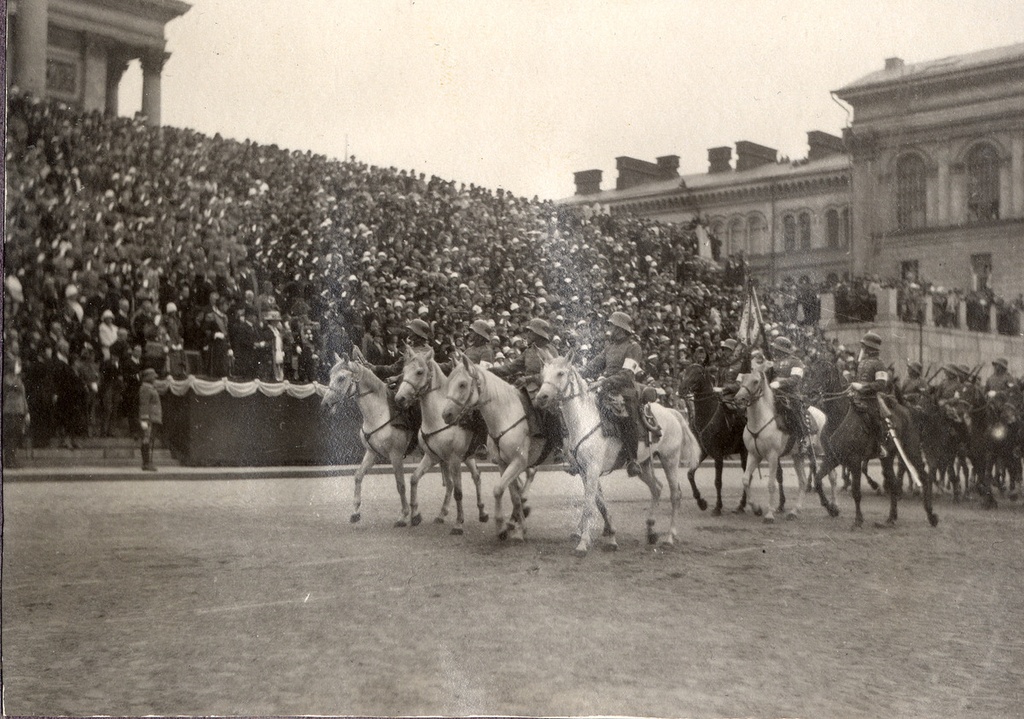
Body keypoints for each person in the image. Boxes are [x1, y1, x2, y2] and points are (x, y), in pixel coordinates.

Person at [582, 311, 647, 476]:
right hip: (607, 390)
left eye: (612, 325)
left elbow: (627, 374)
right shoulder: (609, 347)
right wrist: (575, 372)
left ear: (620, 328)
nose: (609, 328)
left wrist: (603, 382)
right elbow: (593, 366)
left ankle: (633, 460)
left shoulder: (633, 347)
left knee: (627, 416)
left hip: (625, 391)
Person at [848, 331, 892, 457]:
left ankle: (879, 446)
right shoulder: (863, 362)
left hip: (871, 400)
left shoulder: (879, 364)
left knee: (874, 421)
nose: (862, 348)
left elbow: (881, 384)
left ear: (870, 348)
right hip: (858, 397)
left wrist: (862, 387)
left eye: (864, 346)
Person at [767, 336, 809, 450]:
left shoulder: (796, 362)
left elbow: (795, 379)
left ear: (782, 349)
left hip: (790, 395)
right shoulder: (773, 363)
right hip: (774, 394)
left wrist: (779, 384)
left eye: (776, 348)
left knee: (795, 411)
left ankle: (802, 439)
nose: (774, 350)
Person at [3, 342, 29, 468]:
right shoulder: (8, 378)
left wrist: (26, 410)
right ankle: (8, 460)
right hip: (10, 410)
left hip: (19, 410)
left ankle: (12, 459)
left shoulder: (18, 379)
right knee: (10, 436)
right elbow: (12, 386)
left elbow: (23, 396)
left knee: (16, 435)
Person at [138, 367, 162, 471]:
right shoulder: (145, 389)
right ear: (148, 378)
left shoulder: (150, 388)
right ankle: (146, 463)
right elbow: (144, 404)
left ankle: (148, 462)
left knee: (150, 440)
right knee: (146, 439)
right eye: (153, 377)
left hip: (153, 417)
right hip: (149, 418)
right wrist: (144, 419)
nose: (154, 379)